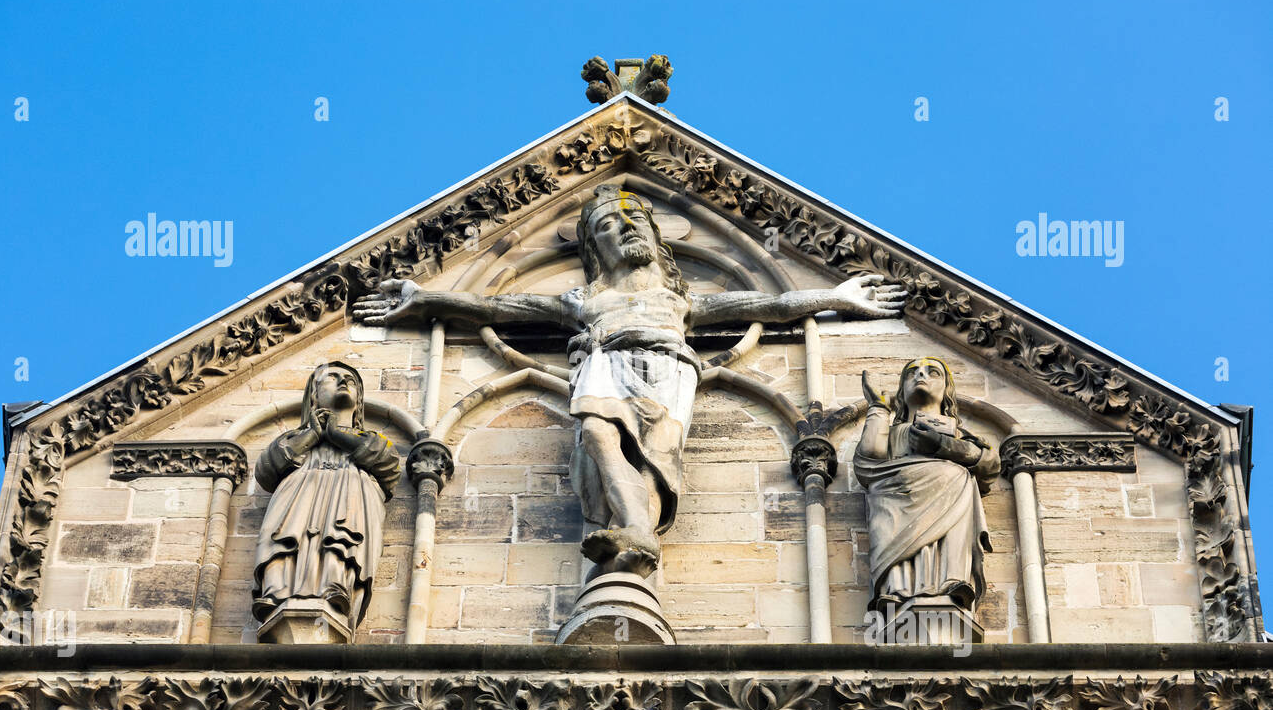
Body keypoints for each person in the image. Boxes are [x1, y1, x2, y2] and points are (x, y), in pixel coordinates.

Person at [353, 184, 906, 578]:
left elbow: (775, 302)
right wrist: (425, 297)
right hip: (603, 365)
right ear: (596, 247)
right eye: (607, 225)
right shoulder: (588, 299)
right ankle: (637, 529)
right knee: (594, 430)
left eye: (633, 219)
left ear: (653, 233)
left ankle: (637, 525)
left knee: (654, 458)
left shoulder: (678, 298)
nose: (624, 227)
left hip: (666, 374)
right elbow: (498, 304)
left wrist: (836, 296)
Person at [252, 362, 400, 635]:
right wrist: (312, 435)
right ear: (314, 396)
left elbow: (389, 465)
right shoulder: (295, 438)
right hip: (300, 490)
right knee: (287, 533)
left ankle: (337, 589)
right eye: (332, 377)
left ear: (359, 402)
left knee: (340, 535)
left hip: (350, 490)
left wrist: (337, 434)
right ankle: (277, 591)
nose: (343, 382)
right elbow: (266, 468)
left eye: (351, 380)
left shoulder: (371, 438)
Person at [856, 357, 999, 616]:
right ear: (901, 391)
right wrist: (878, 408)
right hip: (895, 496)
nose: (921, 376)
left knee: (957, 480)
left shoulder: (959, 433)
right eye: (912, 373)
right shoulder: (893, 431)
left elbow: (990, 464)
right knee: (888, 507)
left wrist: (942, 445)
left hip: (950, 493)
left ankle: (952, 582)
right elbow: (868, 461)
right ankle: (896, 590)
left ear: (946, 390)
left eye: (932, 372)